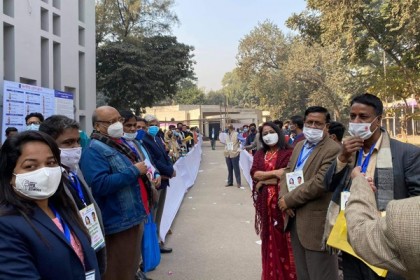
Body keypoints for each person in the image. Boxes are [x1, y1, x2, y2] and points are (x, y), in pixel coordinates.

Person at [324, 93, 420, 280]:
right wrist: (342, 158)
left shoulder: (406, 154)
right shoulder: (347, 151)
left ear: (378, 119)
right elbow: (327, 185)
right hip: (350, 241)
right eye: (353, 116)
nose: (356, 121)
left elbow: (414, 204)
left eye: (363, 117)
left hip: (386, 246)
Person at [0, 131, 100, 279]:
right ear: (10, 175)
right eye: (30, 166)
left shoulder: (63, 207)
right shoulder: (6, 225)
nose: (45, 172)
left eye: (51, 163)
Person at [80, 106, 148, 280]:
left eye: (119, 120)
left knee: (130, 267)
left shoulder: (119, 144)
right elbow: (100, 185)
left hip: (133, 217)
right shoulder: (94, 150)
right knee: (118, 271)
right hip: (118, 222)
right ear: (97, 126)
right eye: (110, 122)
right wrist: (134, 171)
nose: (117, 125)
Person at [39, 115, 107, 276]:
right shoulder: (46, 181)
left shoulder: (74, 171)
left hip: (92, 240)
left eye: (77, 141)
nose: (76, 147)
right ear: (48, 144)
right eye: (68, 142)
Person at [279, 106, 341, 280]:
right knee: (303, 273)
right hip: (295, 218)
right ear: (304, 123)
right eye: (309, 122)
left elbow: (320, 183)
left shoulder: (333, 149)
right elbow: (287, 172)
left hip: (316, 224)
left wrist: (289, 200)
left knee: (321, 274)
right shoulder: (299, 146)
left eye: (318, 123)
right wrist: (283, 198)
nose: (312, 127)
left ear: (326, 127)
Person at [346, 167, 420, 280]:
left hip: (389, 255)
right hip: (352, 252)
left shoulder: (408, 153)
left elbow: (359, 233)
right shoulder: (350, 155)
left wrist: (360, 184)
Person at [251, 121, 295, 280]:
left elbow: (288, 175)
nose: (268, 135)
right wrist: (275, 174)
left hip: (283, 205)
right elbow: (255, 173)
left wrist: (264, 180)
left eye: (271, 131)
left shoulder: (289, 153)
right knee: (269, 240)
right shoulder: (260, 154)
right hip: (266, 207)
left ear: (278, 132)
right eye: (264, 134)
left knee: (285, 242)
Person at [120, 111, 160, 280]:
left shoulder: (137, 143)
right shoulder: (118, 146)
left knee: (142, 236)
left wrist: (156, 173)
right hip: (132, 199)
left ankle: (140, 269)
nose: (133, 129)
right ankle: (137, 270)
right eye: (128, 126)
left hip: (146, 194)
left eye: (135, 126)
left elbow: (148, 162)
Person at [140, 115, 176, 254]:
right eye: (151, 124)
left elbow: (165, 156)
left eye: (156, 123)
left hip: (164, 179)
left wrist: (171, 169)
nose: (155, 126)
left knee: (159, 214)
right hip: (157, 180)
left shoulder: (156, 138)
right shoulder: (144, 140)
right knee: (153, 215)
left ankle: (156, 243)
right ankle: (151, 247)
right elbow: (153, 160)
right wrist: (168, 171)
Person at [224, 124, 241, 188]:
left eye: (228, 128)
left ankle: (238, 182)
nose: (228, 129)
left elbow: (243, 140)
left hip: (234, 154)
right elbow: (226, 142)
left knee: (236, 169)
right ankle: (230, 182)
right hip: (227, 153)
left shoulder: (237, 134)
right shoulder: (227, 135)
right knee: (229, 169)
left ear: (231, 128)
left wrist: (239, 149)